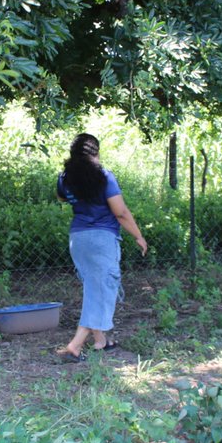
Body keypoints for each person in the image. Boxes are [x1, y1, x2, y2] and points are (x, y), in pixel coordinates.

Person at [55, 134, 148, 362]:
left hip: (78, 239)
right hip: (102, 240)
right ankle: (75, 346)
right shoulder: (105, 177)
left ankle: (101, 341)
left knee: (93, 287)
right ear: (96, 152)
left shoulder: (65, 178)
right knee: (103, 291)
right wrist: (138, 236)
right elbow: (121, 212)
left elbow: (62, 198)